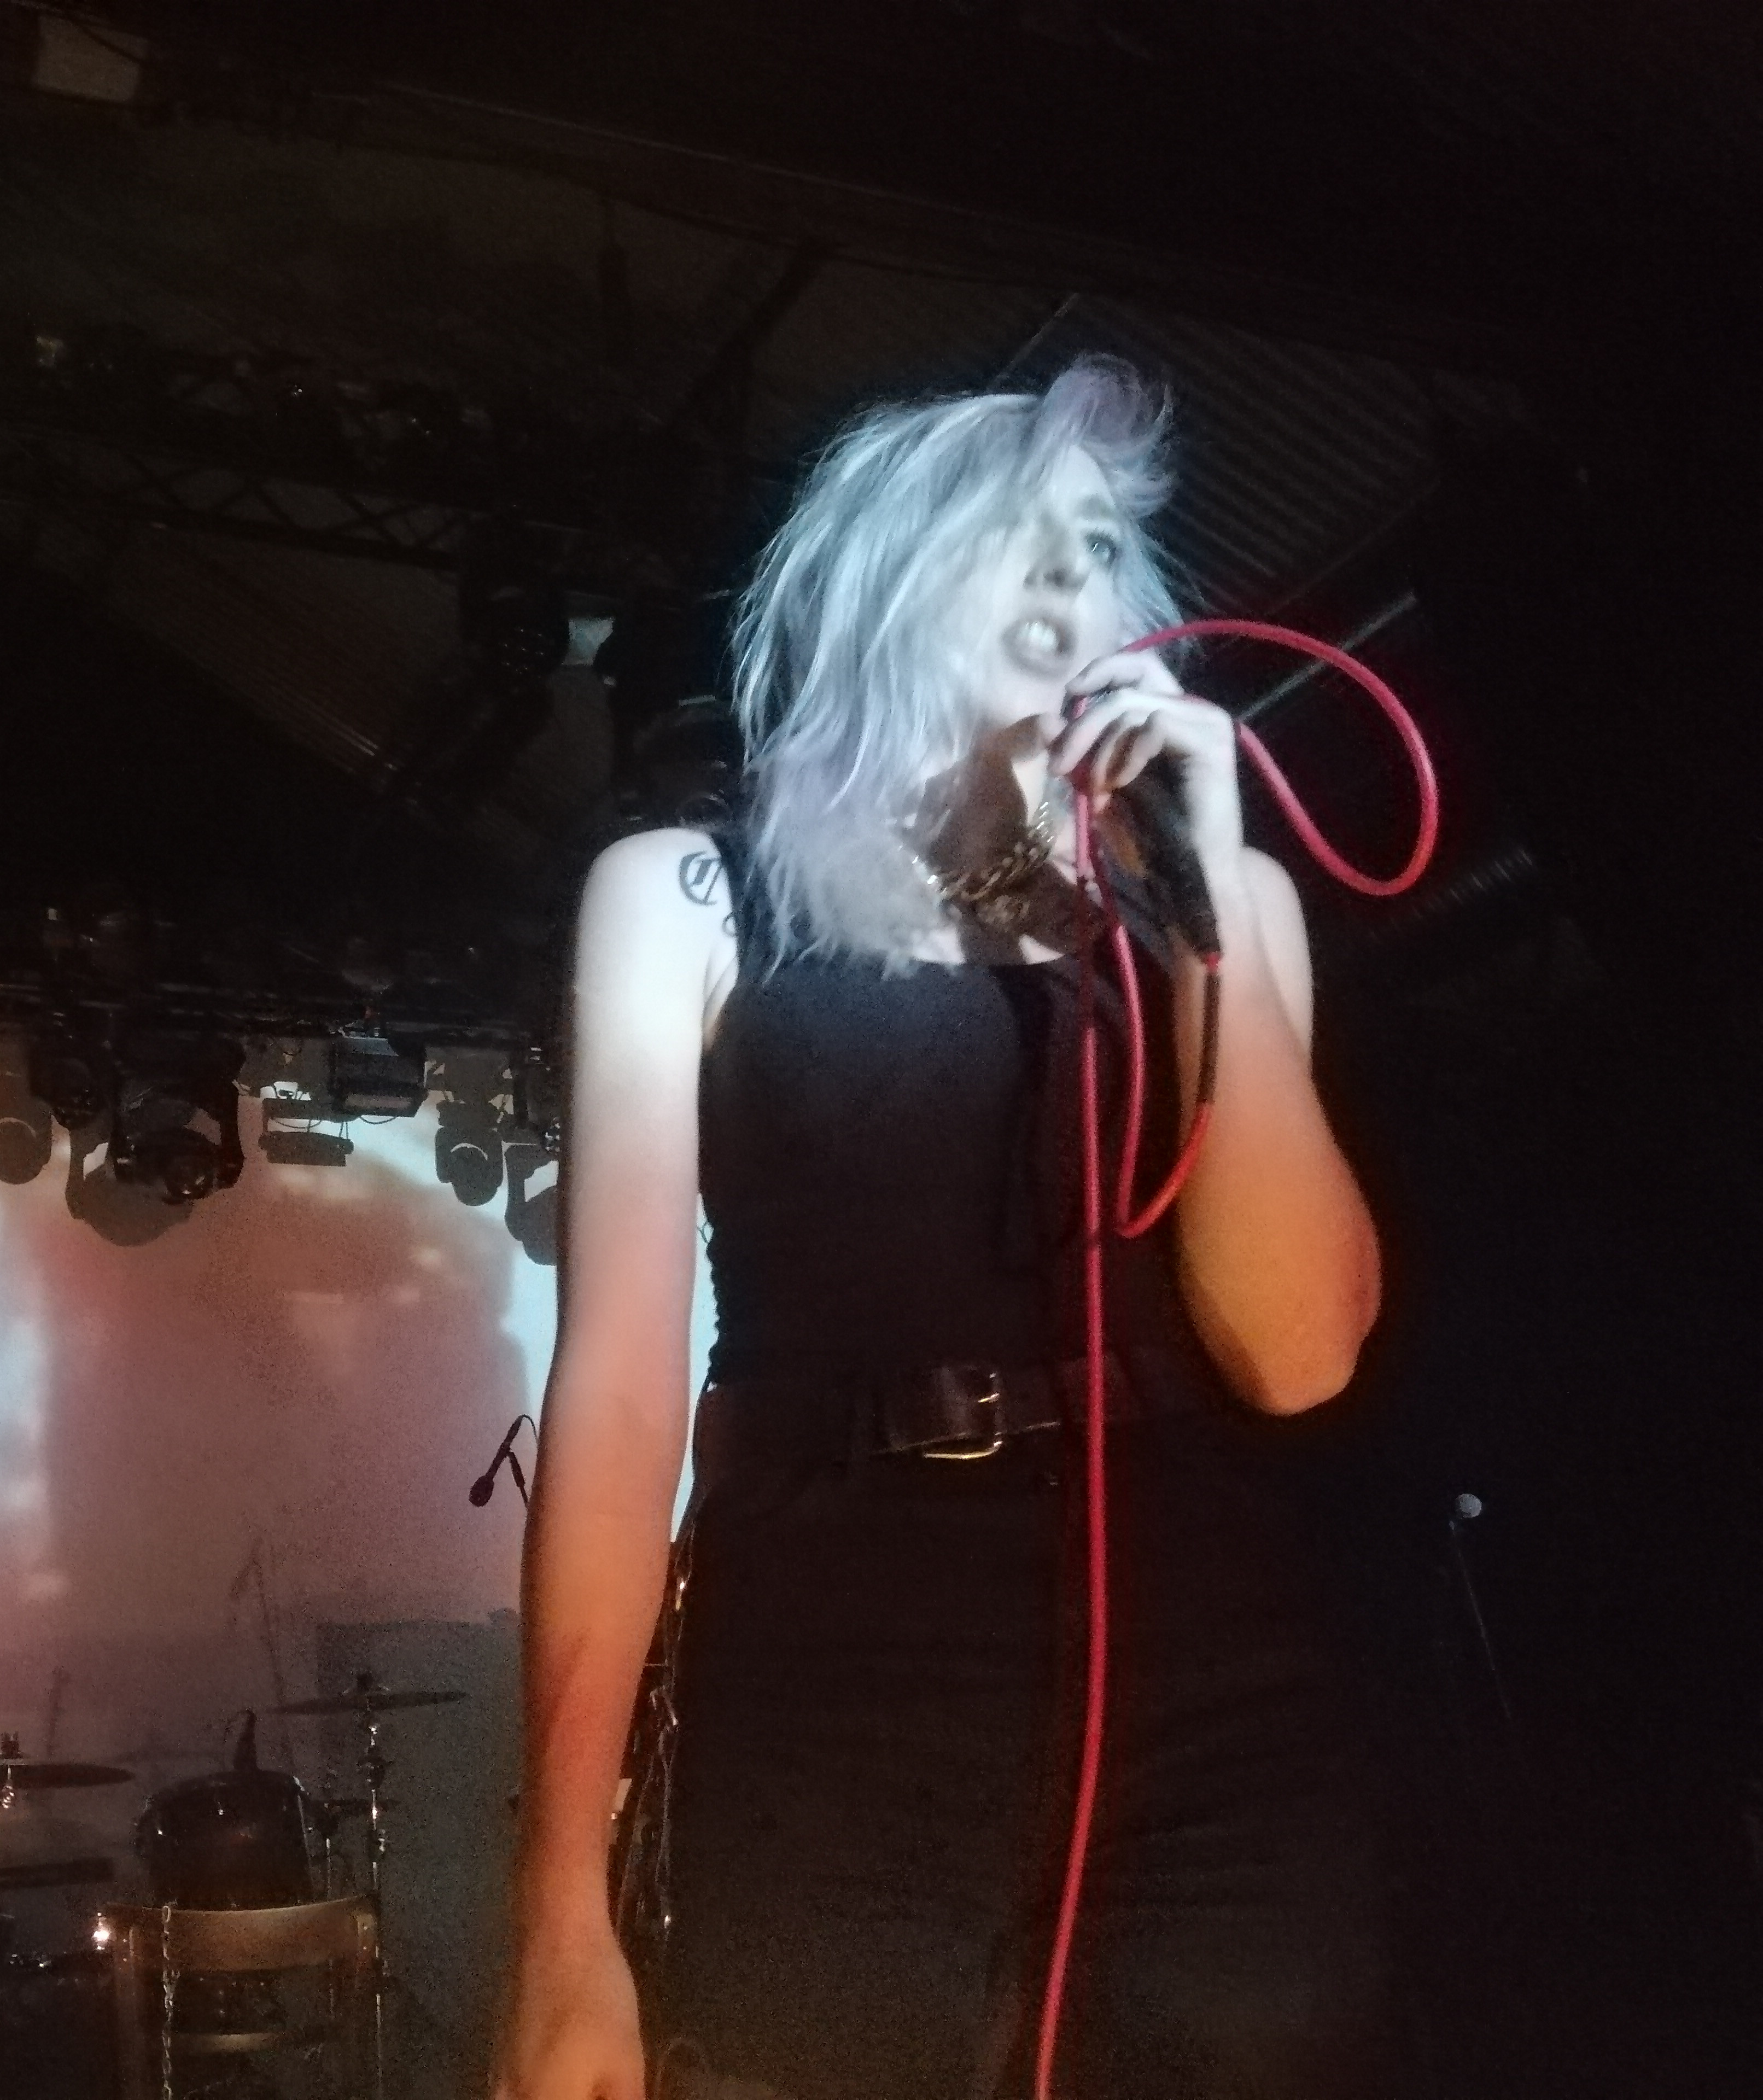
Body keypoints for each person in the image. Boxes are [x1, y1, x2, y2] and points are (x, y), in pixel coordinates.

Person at [493, 358, 1390, 2100]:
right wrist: (557, 1907)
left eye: (1103, 545)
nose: (1073, 574)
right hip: (838, 1656)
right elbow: (617, 1398)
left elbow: (1298, 1355)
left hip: (1211, 1669)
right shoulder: (689, 899)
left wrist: (1205, 914)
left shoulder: (1229, 905)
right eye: (1017, 532)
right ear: (887, 569)